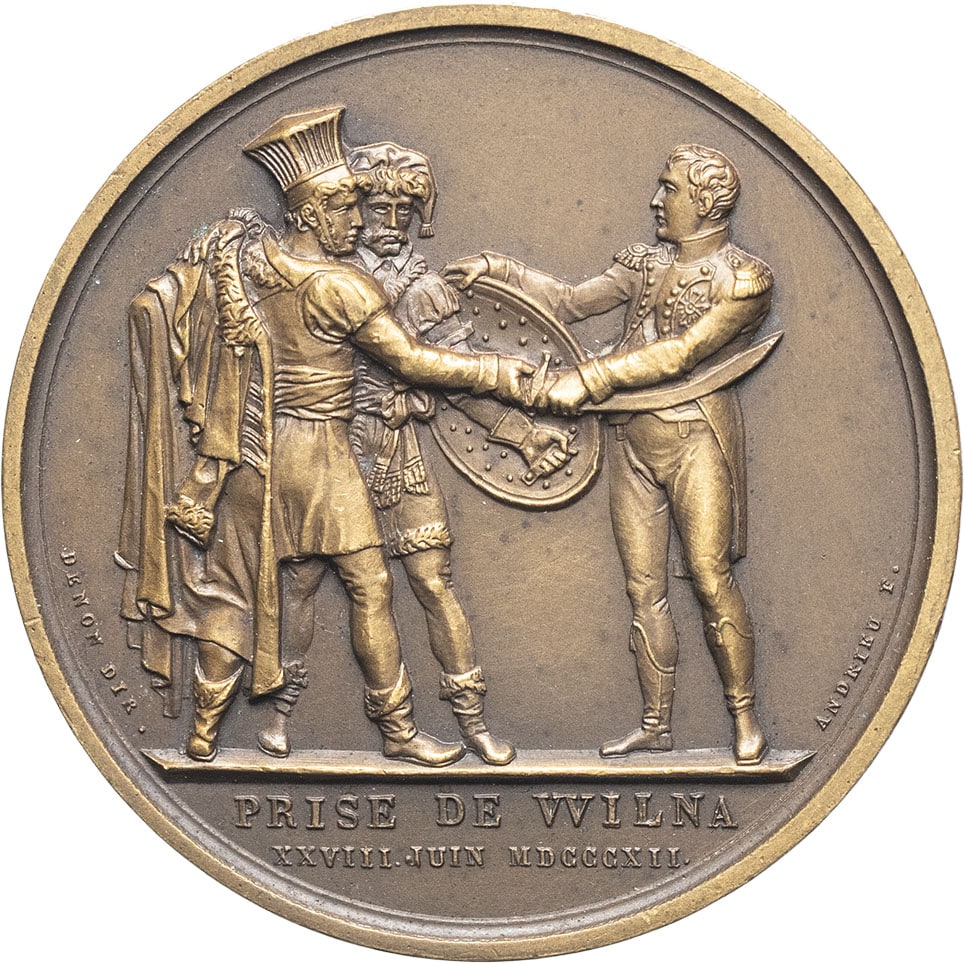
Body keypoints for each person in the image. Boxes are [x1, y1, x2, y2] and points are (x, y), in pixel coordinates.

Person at [118, 107, 533, 766]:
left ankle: (203, 729)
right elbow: (413, 362)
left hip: (253, 456)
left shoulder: (248, 261)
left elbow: (173, 292)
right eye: (346, 209)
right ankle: (397, 730)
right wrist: (497, 371)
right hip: (321, 456)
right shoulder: (342, 286)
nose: (359, 222)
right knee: (370, 585)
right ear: (311, 214)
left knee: (242, 588)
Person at [445, 145, 772, 764]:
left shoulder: (744, 280)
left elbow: (681, 354)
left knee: (709, 578)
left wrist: (588, 379)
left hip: (697, 437)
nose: (656, 200)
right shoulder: (647, 264)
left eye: (669, 189)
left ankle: (745, 717)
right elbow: (571, 301)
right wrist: (499, 270)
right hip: (631, 441)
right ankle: (656, 725)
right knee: (642, 589)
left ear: (705, 202)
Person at [331, 141, 536, 764]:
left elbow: (459, 377)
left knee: (431, 580)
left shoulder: (424, 290)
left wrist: (521, 434)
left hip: (401, 452)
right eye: (379, 208)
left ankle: (472, 722)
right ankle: (282, 714)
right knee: (307, 582)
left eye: (405, 210)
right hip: (330, 451)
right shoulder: (324, 278)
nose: (392, 223)